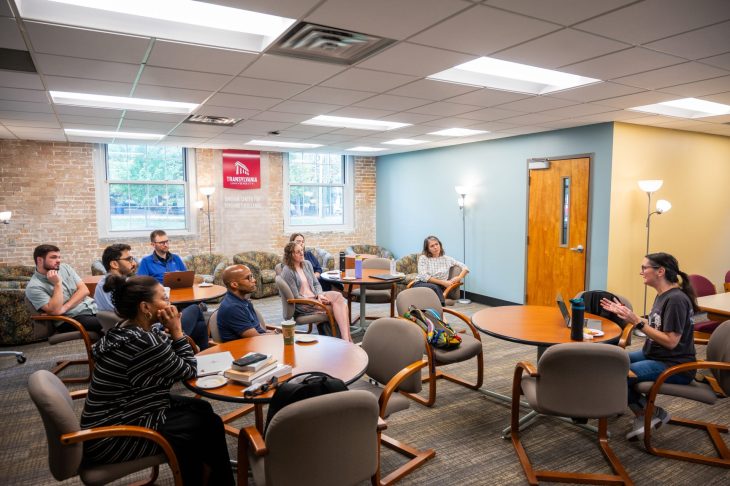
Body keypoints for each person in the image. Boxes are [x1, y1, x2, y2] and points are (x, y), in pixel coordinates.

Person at [80, 275, 234, 485]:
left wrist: (168, 335)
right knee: (208, 424)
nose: (169, 303)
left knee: (202, 409)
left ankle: (201, 474)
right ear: (145, 307)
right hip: (114, 437)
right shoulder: (144, 342)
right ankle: (209, 478)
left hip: (120, 414)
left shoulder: (123, 329)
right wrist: (177, 331)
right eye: (164, 298)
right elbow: (189, 369)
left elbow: (165, 355)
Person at [600, 252, 697, 441]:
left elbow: (671, 341)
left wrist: (637, 321)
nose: (641, 272)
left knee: (618, 373)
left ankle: (646, 413)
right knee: (609, 363)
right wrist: (629, 315)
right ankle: (648, 410)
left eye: (645, 268)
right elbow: (658, 325)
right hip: (654, 355)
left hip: (675, 365)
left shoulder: (676, 300)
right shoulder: (663, 295)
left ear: (660, 271)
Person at [96, 243, 209, 350]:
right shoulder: (119, 287)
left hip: (125, 333)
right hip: (148, 332)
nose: (133, 263)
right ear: (114, 264)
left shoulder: (105, 284)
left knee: (197, 324)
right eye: (129, 259)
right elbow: (136, 316)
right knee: (195, 309)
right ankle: (195, 352)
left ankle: (195, 351)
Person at [280, 242, 352, 342]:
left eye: (302, 250)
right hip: (304, 304)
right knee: (343, 306)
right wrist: (315, 301)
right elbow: (296, 296)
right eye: (298, 252)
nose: (302, 253)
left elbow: (316, 284)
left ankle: (345, 339)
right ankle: (347, 340)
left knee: (338, 296)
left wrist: (320, 295)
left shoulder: (307, 264)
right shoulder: (288, 271)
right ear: (291, 255)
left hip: (315, 296)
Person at [25, 244, 102, 334]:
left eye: (59, 257)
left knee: (119, 318)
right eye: (53, 257)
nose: (58, 261)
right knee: (111, 323)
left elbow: (84, 290)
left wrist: (64, 308)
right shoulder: (34, 287)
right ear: (39, 260)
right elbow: (56, 310)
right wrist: (57, 284)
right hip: (70, 319)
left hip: (93, 308)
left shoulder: (65, 268)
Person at [217, 264, 275, 342]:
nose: (254, 280)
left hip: (256, 344)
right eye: (249, 278)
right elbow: (256, 339)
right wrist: (277, 335)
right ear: (234, 284)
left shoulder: (243, 300)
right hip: (243, 351)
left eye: (252, 276)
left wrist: (272, 333)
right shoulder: (233, 308)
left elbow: (259, 330)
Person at [413, 235, 469, 305]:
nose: (435, 247)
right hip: (421, 283)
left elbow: (465, 267)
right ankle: (443, 304)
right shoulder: (423, 258)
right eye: (432, 246)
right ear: (427, 249)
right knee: (434, 287)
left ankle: (439, 304)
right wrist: (443, 282)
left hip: (439, 288)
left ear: (440, 245)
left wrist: (459, 277)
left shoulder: (447, 259)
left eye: (436, 244)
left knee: (435, 288)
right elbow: (423, 276)